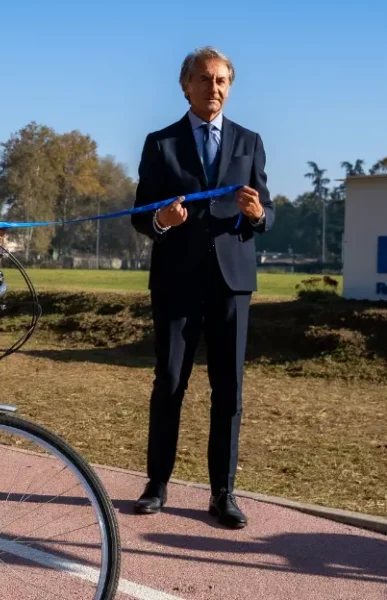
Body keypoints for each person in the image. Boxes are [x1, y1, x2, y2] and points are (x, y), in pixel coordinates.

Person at [129, 46, 274, 529]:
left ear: (229, 87)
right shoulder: (160, 143)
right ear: (185, 84)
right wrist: (162, 220)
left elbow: (267, 212)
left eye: (222, 81)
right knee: (170, 383)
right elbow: (139, 216)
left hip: (232, 284)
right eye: (205, 79)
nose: (214, 88)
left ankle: (223, 493)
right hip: (176, 282)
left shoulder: (250, 142)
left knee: (228, 389)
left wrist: (257, 215)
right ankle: (157, 484)